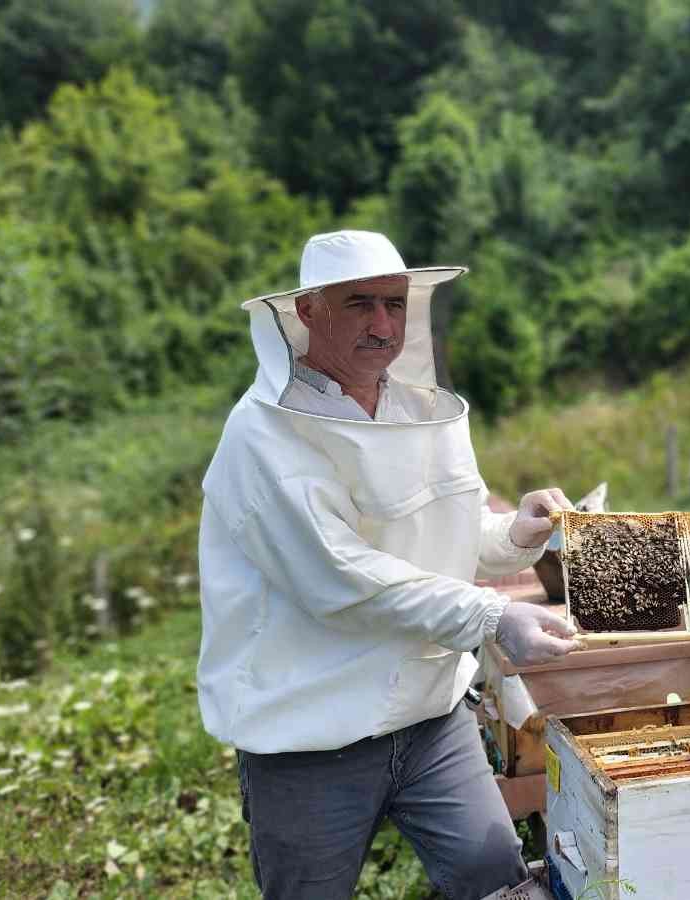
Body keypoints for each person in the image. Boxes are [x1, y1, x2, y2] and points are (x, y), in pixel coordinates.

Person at [197, 230, 571, 899]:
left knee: (494, 874)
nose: (382, 324)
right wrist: (492, 614)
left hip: (431, 718)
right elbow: (341, 581)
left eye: (394, 304)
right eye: (359, 303)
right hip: (309, 736)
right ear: (306, 310)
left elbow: (441, 543)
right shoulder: (262, 435)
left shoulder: (411, 409)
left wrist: (516, 534)